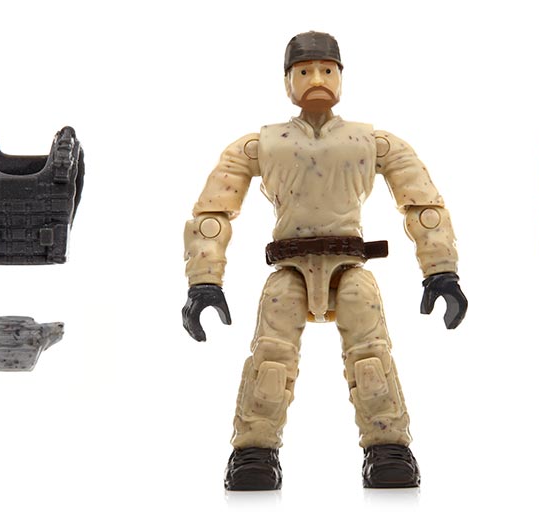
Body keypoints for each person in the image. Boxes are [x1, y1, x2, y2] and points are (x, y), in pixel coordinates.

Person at [182, 31, 467, 490]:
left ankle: (388, 448)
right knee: (271, 356)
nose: (316, 78)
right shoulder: (261, 145)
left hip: (350, 268)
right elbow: (213, 215)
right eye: (304, 70)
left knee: (370, 353)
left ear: (341, 77)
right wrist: (204, 280)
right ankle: (255, 451)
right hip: (289, 271)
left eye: (327, 69)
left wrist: (441, 271)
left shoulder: (371, 142)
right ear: (288, 81)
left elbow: (424, 207)